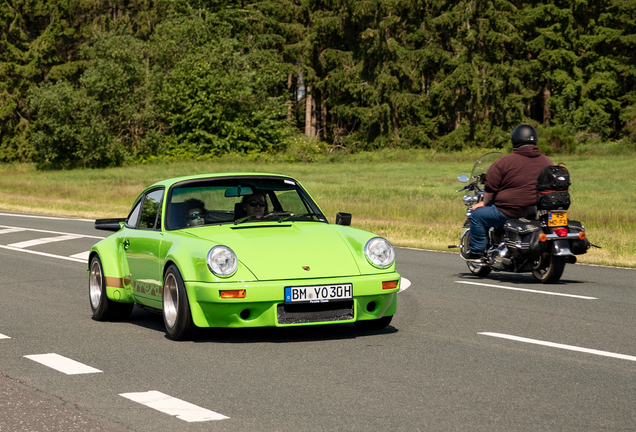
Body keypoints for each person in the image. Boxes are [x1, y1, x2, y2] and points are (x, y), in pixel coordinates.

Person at [461, 124, 553, 261]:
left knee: (476, 215)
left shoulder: (505, 162)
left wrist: (484, 202)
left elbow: (491, 185)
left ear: (515, 141)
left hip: (510, 212)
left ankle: (476, 252)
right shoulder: (547, 161)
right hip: (535, 212)